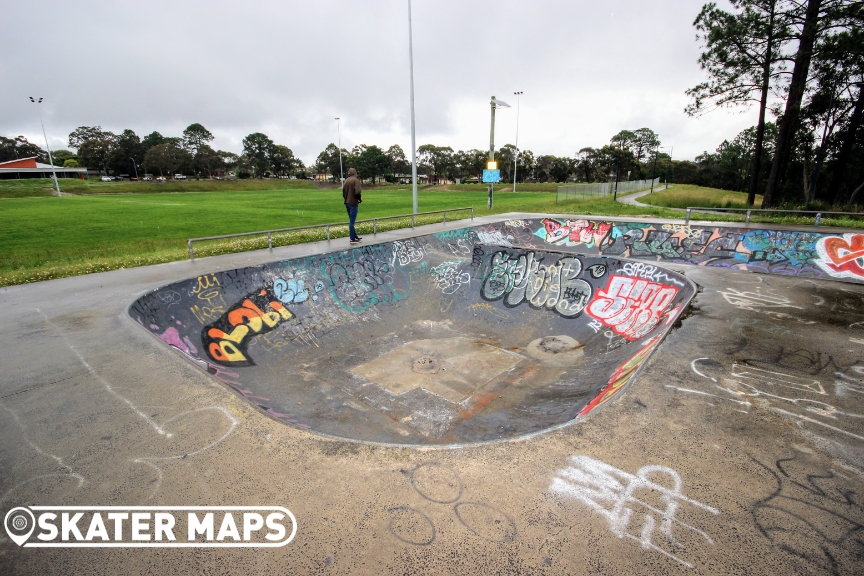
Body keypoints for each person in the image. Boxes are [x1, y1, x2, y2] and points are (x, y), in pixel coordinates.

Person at [342, 167, 363, 244]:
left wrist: (347, 199)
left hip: (347, 203)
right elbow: (357, 192)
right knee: (352, 222)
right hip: (353, 203)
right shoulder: (355, 180)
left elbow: (343, 193)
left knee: (351, 220)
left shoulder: (346, 181)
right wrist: (359, 199)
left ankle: (355, 236)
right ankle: (352, 238)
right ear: (355, 173)